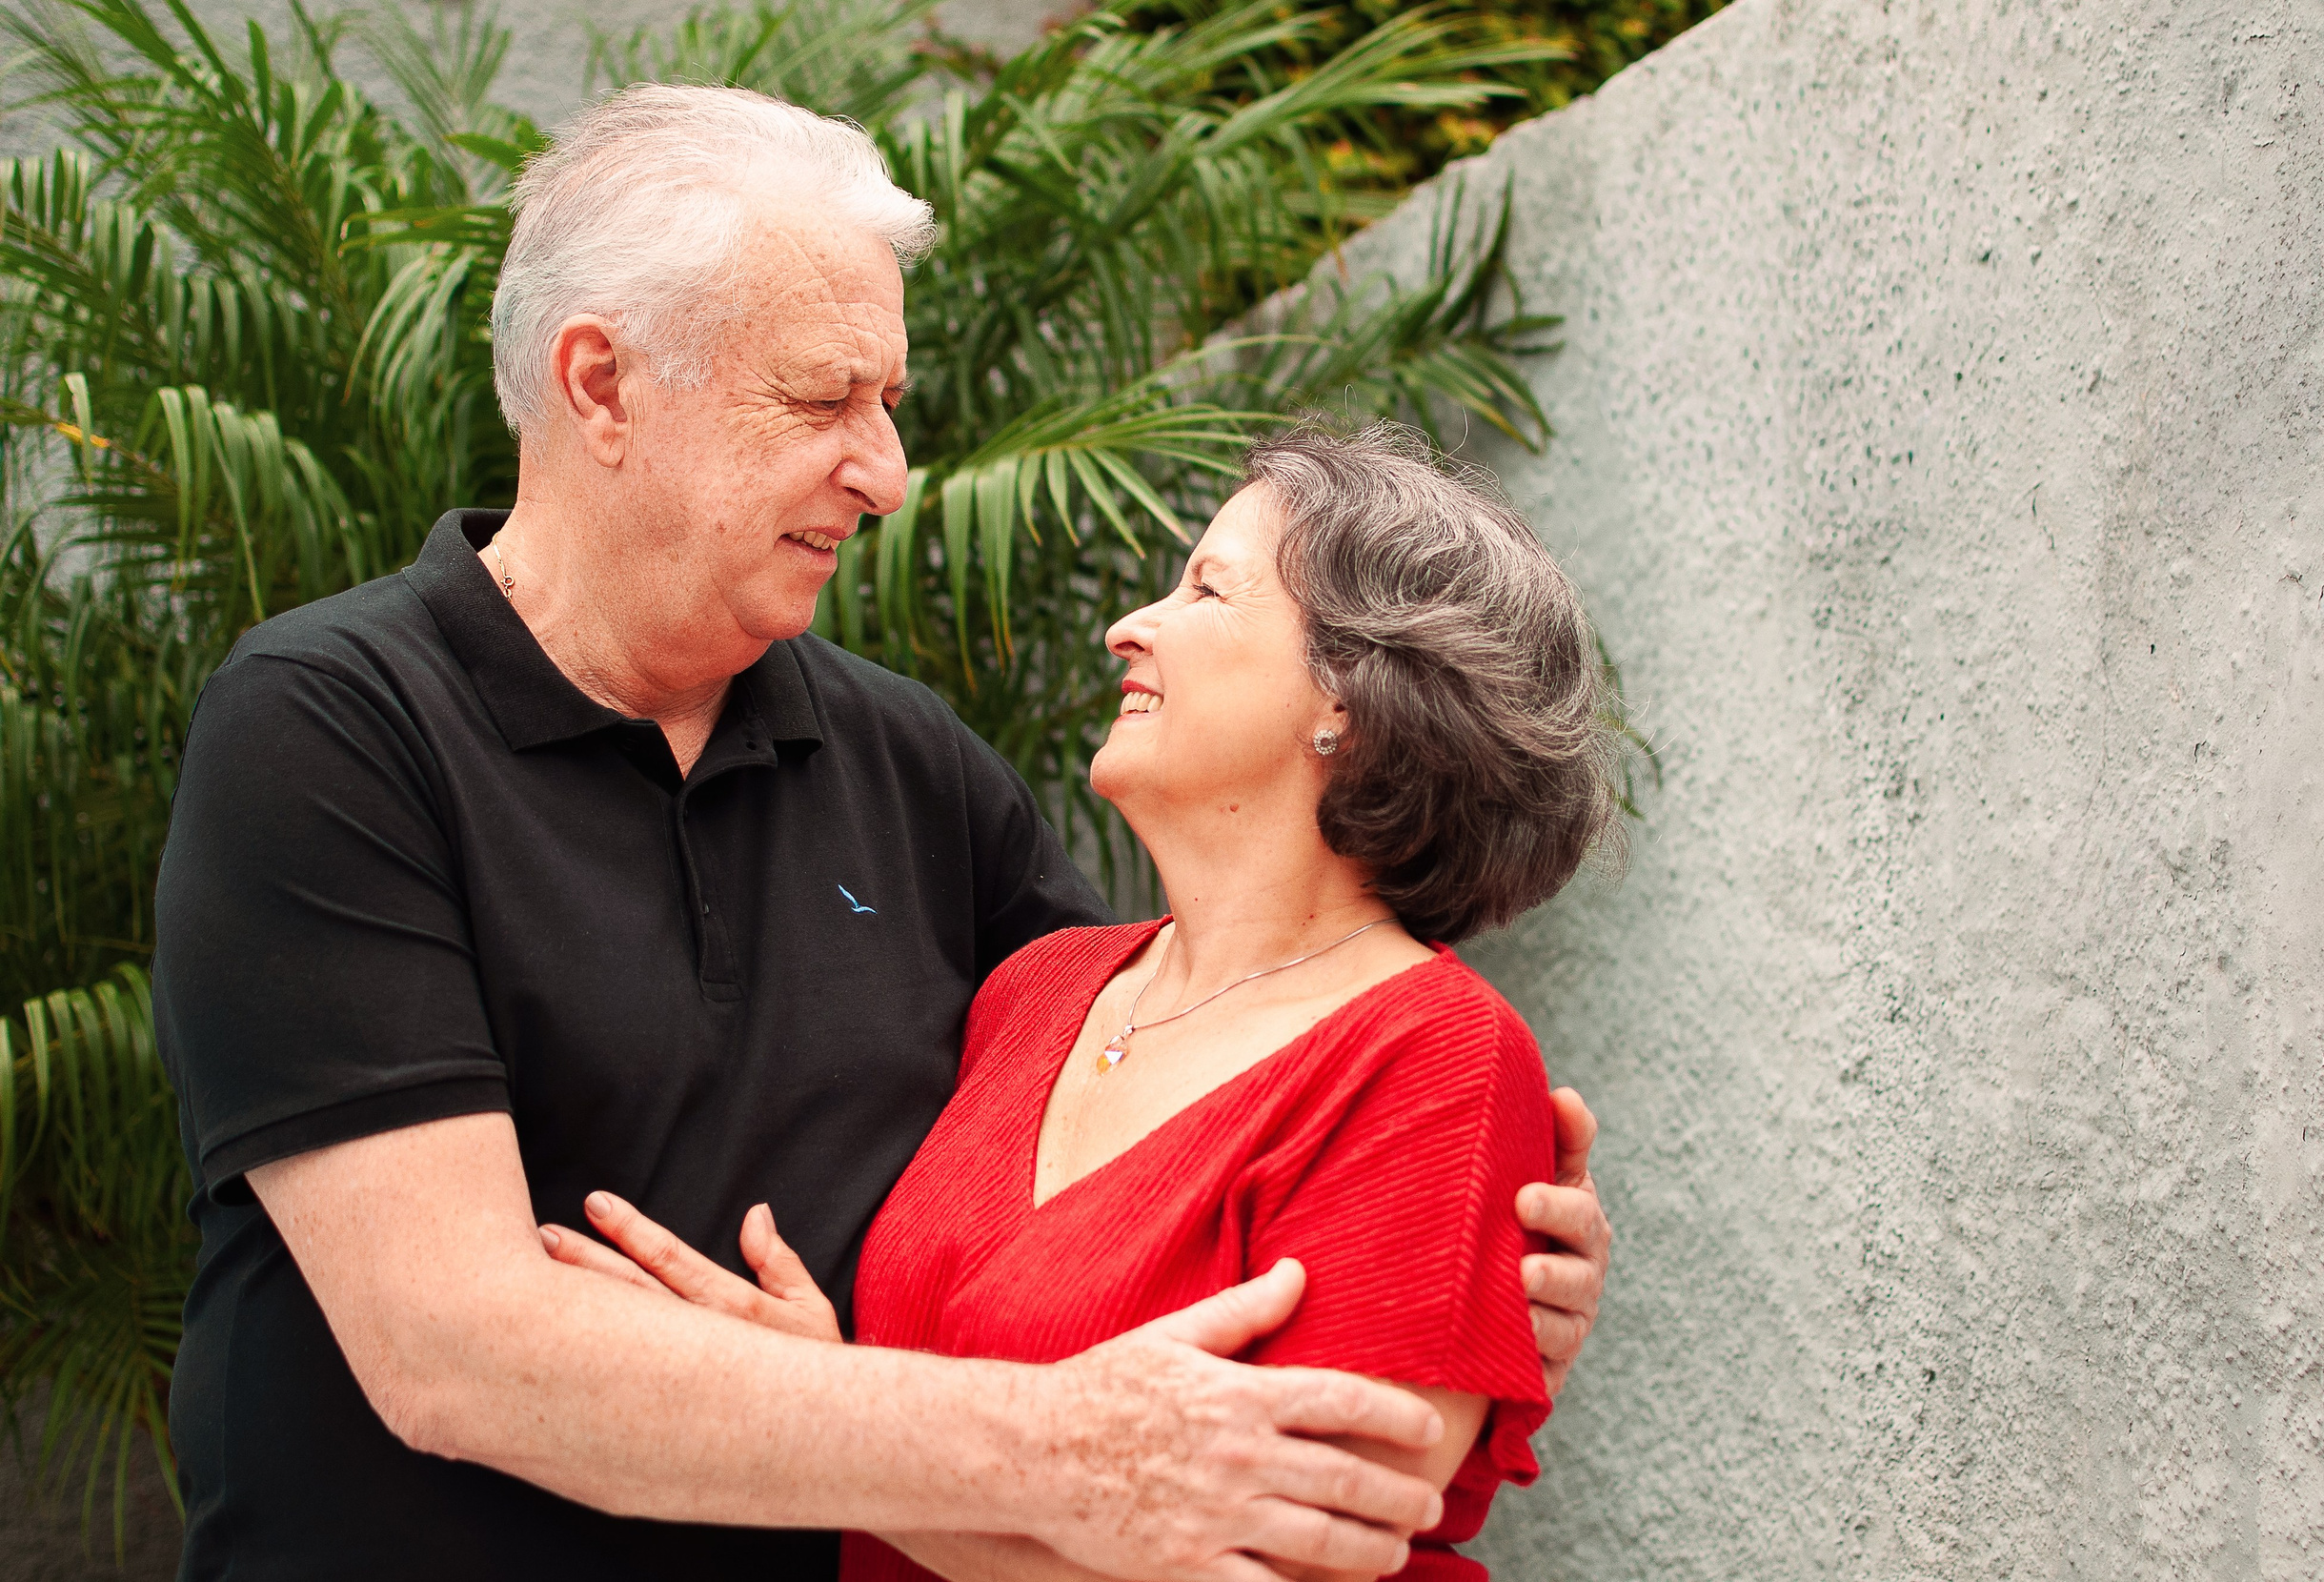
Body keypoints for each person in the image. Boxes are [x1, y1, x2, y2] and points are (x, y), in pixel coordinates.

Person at [150, 84, 1612, 1582]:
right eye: (819, 400)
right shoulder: (331, 728)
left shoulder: (911, 765)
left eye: (888, 402)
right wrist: (1066, 1454)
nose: (888, 474)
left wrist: (1448, 1259)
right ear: (602, 387)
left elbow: (1181, 1122)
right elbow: (457, 1351)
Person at [550, 421, 1625, 1582]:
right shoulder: (1040, 986)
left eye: (1206, 588)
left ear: (1349, 699)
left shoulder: (1434, 1056)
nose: (1129, 625)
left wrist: (808, 1425)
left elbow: (1286, 1560)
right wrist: (830, 1400)